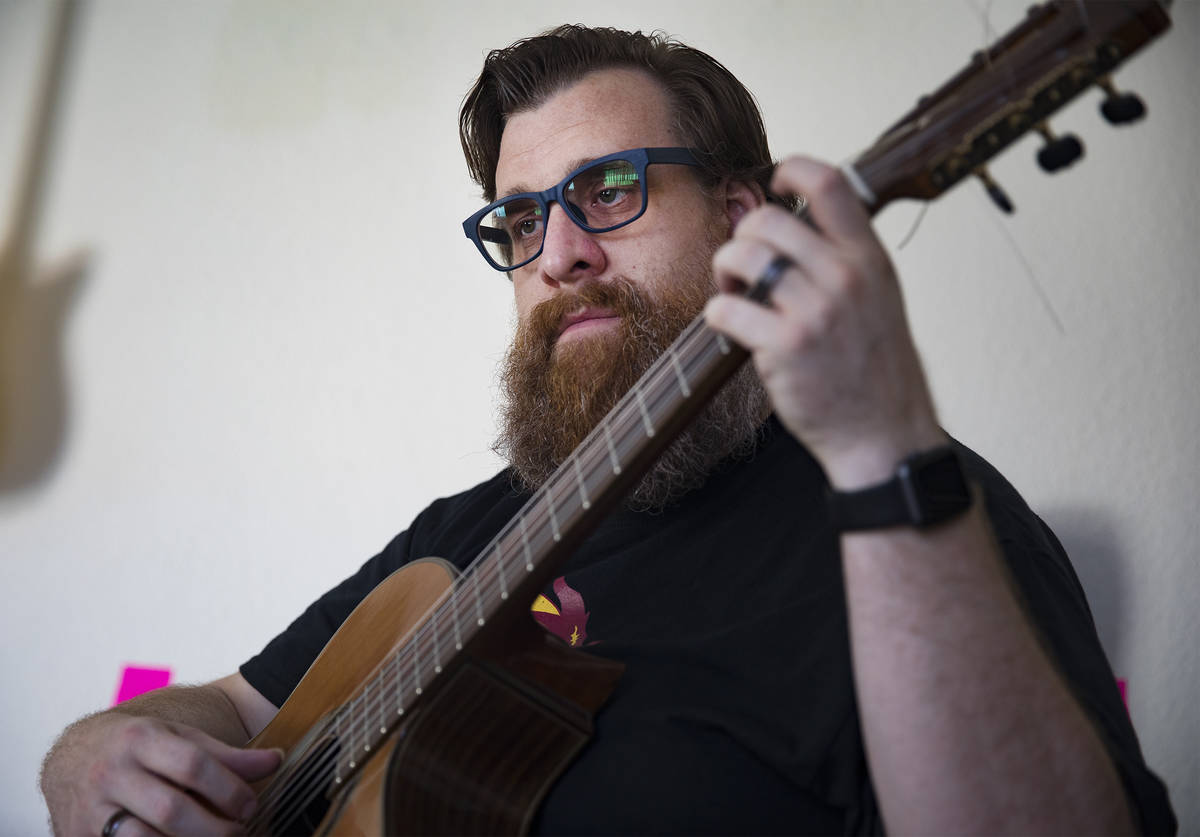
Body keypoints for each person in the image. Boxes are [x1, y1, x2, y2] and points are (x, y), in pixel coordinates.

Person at [41, 25, 1175, 836]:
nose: (561, 253)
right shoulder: (455, 542)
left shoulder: (914, 514)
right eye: (522, 218)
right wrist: (94, 752)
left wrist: (887, 449)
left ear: (742, 216)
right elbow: (234, 710)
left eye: (615, 189)